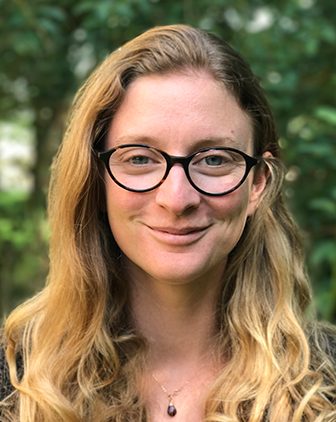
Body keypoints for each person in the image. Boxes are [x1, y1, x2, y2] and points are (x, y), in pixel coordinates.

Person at [0, 24, 335, 422]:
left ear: (258, 183)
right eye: (140, 158)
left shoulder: (325, 380)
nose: (177, 200)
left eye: (213, 159)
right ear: (96, 177)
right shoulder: (15, 377)